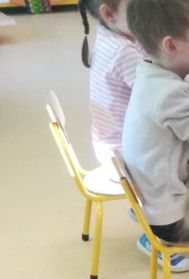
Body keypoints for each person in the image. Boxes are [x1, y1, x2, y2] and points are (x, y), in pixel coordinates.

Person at [122, 0, 189, 272]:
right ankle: (162, 240)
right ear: (171, 45)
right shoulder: (169, 95)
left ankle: (153, 231)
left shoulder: (150, 73)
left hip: (152, 194)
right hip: (171, 217)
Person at [78, 0, 143, 169]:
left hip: (107, 146)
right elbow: (160, 96)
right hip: (124, 154)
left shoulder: (108, 35)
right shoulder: (123, 52)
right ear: (108, 14)